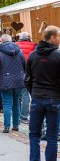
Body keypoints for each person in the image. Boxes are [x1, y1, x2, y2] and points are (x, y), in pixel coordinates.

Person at [26, 26, 60, 161]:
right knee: (52, 135)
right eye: (58, 36)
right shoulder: (57, 56)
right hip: (54, 99)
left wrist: (33, 92)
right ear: (52, 37)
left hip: (37, 97)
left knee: (34, 134)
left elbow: (27, 79)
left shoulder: (33, 55)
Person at [0, 34, 25, 133]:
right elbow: (25, 65)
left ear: (2, 41)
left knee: (7, 104)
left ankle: (6, 126)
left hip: (5, 81)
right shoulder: (19, 51)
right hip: (19, 80)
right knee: (16, 103)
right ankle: (16, 125)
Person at [16, 32, 36, 124]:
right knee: (25, 95)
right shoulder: (33, 46)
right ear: (29, 38)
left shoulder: (15, 45)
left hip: (16, 72)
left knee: (17, 95)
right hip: (29, 72)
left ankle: (17, 114)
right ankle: (23, 116)